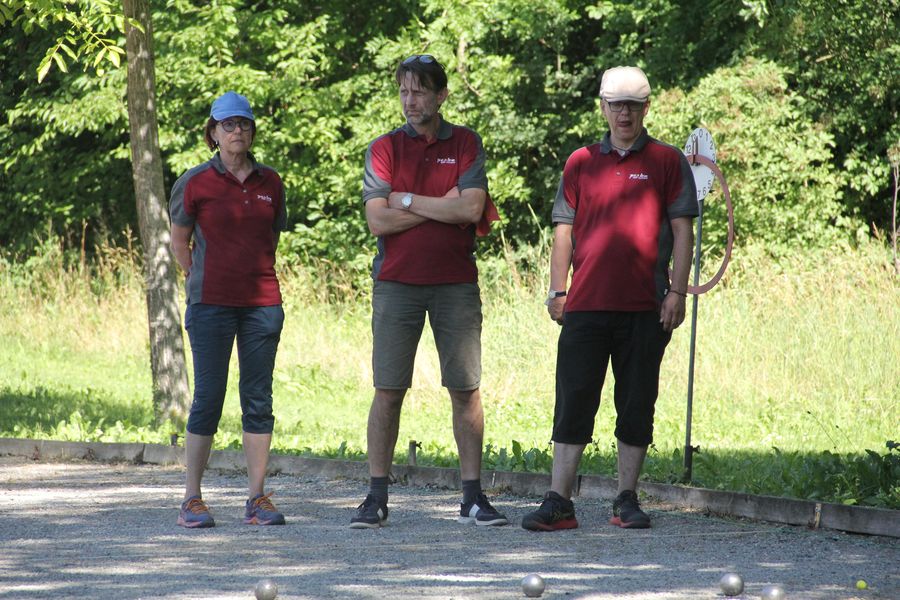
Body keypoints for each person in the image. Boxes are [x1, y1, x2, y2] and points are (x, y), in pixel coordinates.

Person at [521, 66, 698, 531]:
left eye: (633, 106)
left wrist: (677, 292)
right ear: (603, 107)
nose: (624, 113)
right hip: (586, 304)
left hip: (646, 305)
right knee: (574, 398)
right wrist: (558, 289)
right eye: (616, 105)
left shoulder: (666, 160)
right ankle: (558, 502)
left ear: (646, 109)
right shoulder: (580, 161)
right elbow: (563, 231)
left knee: (637, 401)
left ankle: (626, 499)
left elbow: (683, 231)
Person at [351, 54, 505, 529]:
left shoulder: (464, 143)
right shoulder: (384, 149)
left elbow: (472, 208)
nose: (409, 100)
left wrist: (408, 200)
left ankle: (472, 498)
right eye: (403, 91)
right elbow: (377, 218)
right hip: (396, 283)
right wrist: (446, 206)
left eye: (418, 91)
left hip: (455, 283)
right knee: (388, 389)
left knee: (465, 389)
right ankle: (376, 496)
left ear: (441, 96)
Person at [169, 91, 288, 528]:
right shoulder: (195, 181)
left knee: (258, 400)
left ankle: (257, 498)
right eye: (229, 124)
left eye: (244, 124)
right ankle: (191, 499)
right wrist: (199, 279)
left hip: (261, 305)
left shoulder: (271, 182)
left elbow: (271, 238)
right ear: (213, 133)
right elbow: (180, 242)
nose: (238, 131)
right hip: (210, 304)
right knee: (208, 399)